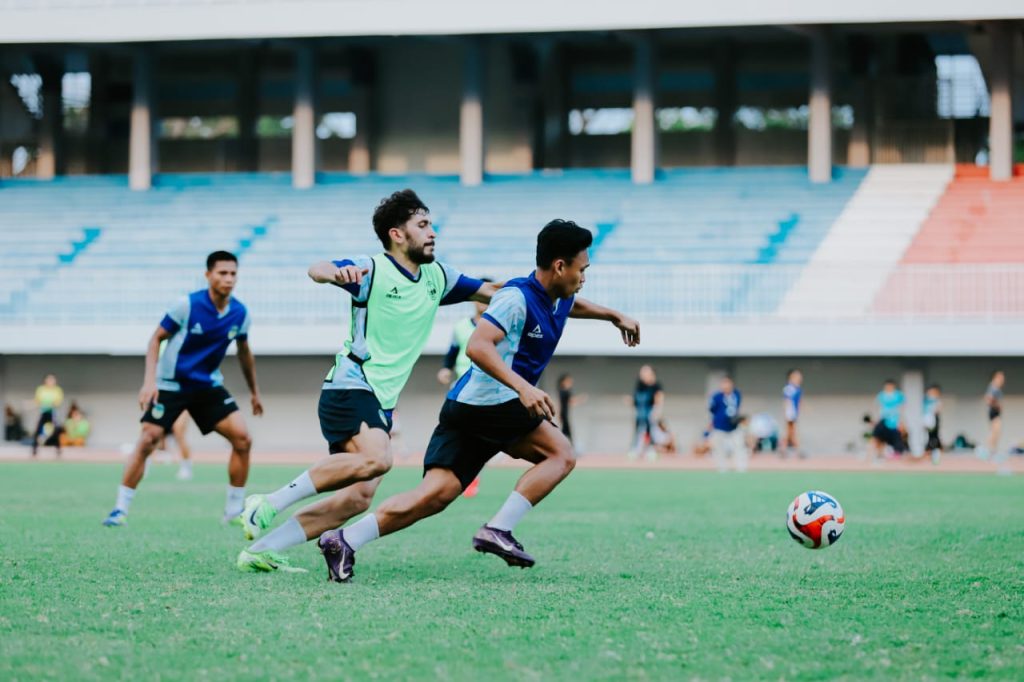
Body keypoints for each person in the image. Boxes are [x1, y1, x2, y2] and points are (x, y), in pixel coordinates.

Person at [316, 219, 640, 582]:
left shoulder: (559, 297)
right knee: (560, 454)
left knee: (434, 496)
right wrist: (524, 388)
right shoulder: (516, 298)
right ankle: (498, 529)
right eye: (582, 269)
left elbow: (573, 305)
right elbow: (477, 346)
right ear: (560, 266)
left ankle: (344, 539)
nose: (584, 277)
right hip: (492, 403)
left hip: (468, 407)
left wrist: (614, 316)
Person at [236, 189, 498, 573]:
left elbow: (491, 291)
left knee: (357, 499)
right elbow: (317, 268)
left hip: (381, 401)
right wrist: (333, 274)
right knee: (378, 458)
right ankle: (268, 501)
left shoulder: (437, 277)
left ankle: (259, 550)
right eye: (423, 225)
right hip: (350, 384)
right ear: (397, 234)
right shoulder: (371, 269)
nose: (432, 232)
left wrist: (541, 296)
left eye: (431, 224)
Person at [102, 251, 264, 527]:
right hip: (170, 385)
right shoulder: (186, 305)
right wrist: (149, 382)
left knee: (243, 439)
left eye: (233, 273)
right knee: (148, 439)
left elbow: (244, 352)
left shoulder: (240, 313)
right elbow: (155, 339)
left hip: (207, 386)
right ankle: (120, 509)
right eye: (222, 273)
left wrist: (254, 392)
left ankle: (234, 511)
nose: (228, 278)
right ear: (208, 275)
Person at [436, 278, 494, 497]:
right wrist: (445, 369)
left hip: (488, 387)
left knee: (479, 437)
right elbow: (452, 351)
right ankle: (449, 476)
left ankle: (471, 476)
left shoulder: (499, 325)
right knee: (458, 433)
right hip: (462, 385)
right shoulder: (461, 326)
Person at [709, 376, 746, 472]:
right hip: (720, 427)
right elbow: (712, 409)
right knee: (719, 449)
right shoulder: (716, 397)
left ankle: (741, 469)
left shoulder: (736, 394)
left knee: (739, 447)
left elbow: (737, 407)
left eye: (728, 384)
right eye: (724, 384)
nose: (726, 386)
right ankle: (722, 469)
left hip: (734, 427)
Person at [629, 365, 664, 460]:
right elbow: (636, 400)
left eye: (645, 373)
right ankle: (636, 450)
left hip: (650, 415)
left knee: (651, 432)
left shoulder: (656, 386)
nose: (642, 375)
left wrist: (657, 411)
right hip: (640, 415)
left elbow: (659, 399)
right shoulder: (639, 385)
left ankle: (651, 450)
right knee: (638, 432)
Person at [870, 379, 905, 461]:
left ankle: (896, 454)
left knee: (896, 439)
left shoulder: (899, 395)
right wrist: (876, 420)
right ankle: (879, 454)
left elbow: (902, 408)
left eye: (890, 386)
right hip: (883, 420)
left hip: (894, 421)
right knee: (877, 437)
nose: (889, 387)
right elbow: (878, 408)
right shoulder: (881, 395)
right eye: (887, 386)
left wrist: (901, 421)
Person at [31, 374, 64, 457]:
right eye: (49, 380)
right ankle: (34, 450)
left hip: (52, 413)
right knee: (37, 431)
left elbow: (57, 402)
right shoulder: (41, 389)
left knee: (55, 431)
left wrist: (49, 403)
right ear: (45, 381)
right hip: (43, 413)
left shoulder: (57, 390)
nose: (51, 382)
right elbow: (37, 401)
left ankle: (58, 449)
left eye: (52, 380)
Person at [977, 370, 1004, 461]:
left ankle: (991, 451)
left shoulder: (997, 387)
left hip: (995, 412)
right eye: (1000, 377)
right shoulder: (993, 387)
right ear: (995, 377)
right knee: (995, 431)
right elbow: (988, 399)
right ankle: (987, 450)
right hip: (993, 412)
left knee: (995, 432)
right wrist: (996, 405)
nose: (1002, 379)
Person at [556, 373, 585, 450]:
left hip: (564, 414)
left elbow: (568, 403)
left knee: (565, 432)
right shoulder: (564, 391)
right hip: (564, 414)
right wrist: (581, 399)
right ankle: (569, 448)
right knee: (567, 432)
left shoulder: (562, 391)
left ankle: (566, 448)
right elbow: (570, 401)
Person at [782, 369, 803, 457]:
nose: (800, 378)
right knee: (791, 432)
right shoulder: (789, 388)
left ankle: (783, 450)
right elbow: (787, 401)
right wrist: (789, 414)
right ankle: (798, 451)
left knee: (790, 433)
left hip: (794, 413)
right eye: (797, 376)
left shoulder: (797, 388)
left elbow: (799, 402)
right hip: (791, 413)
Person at [923, 384, 942, 465]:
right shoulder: (925, 400)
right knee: (928, 437)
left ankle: (935, 454)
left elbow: (938, 410)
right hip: (927, 421)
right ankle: (928, 454)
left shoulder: (937, 400)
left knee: (934, 437)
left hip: (934, 420)